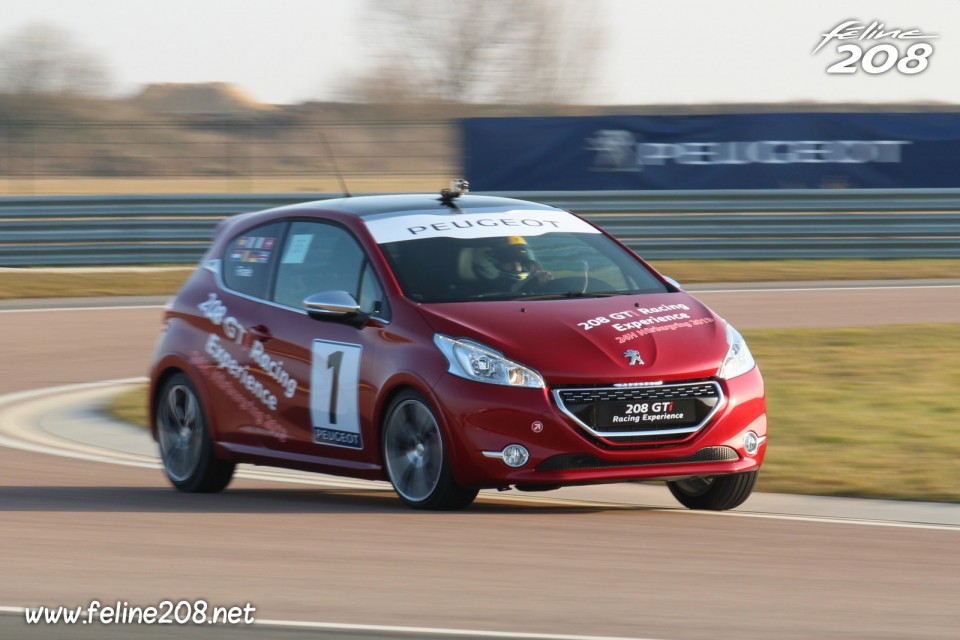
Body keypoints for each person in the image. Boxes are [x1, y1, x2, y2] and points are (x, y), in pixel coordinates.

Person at [472, 236, 552, 292]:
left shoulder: (537, 286)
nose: (518, 267)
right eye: (509, 260)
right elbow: (506, 292)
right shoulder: (477, 295)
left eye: (522, 261)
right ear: (490, 261)